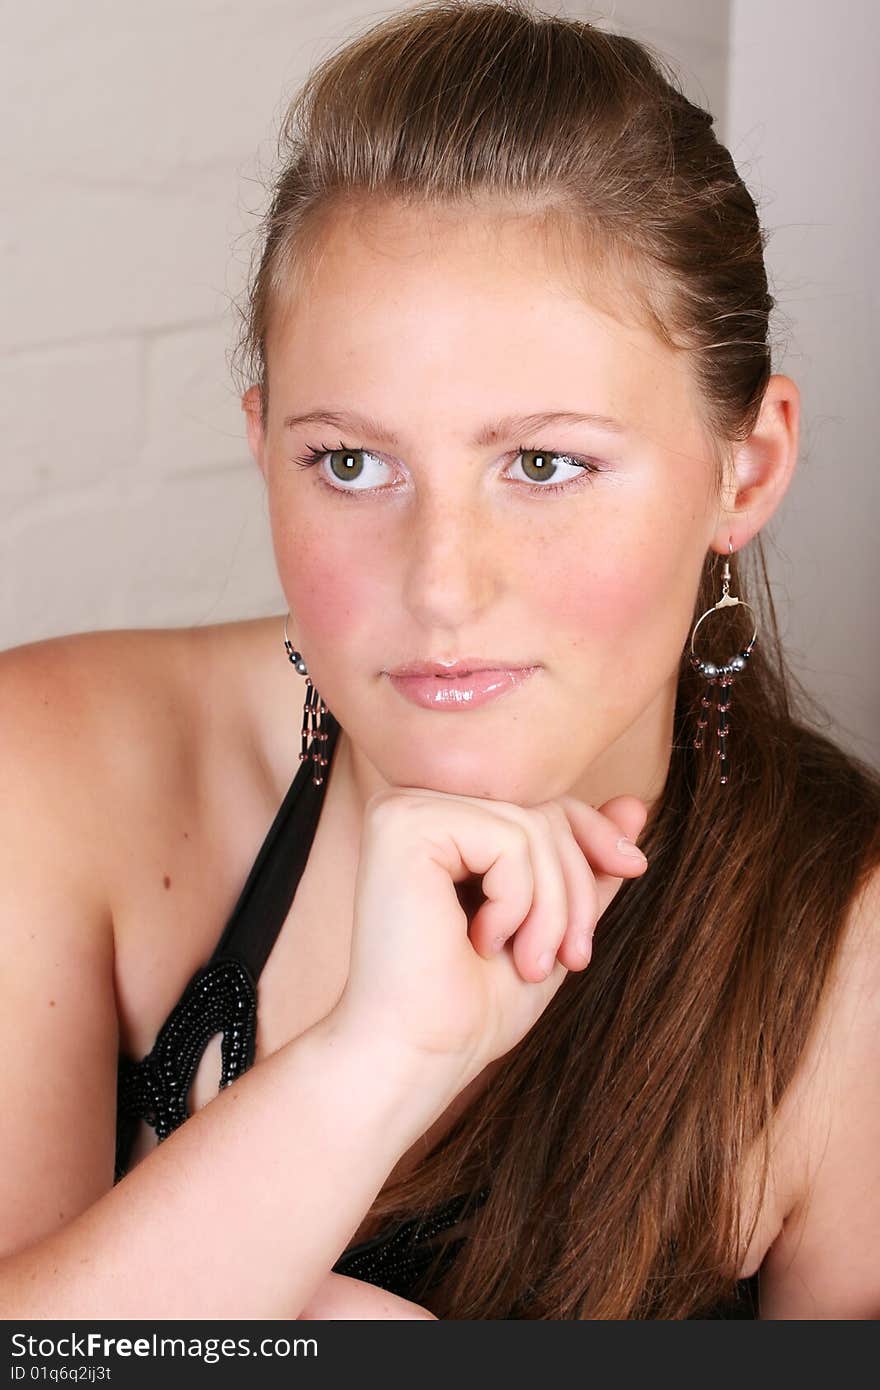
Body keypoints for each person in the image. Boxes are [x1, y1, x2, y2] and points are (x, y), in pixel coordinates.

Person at [1, 0, 878, 1322]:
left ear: (744, 468)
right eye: (350, 462)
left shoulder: (848, 958)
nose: (441, 583)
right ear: (263, 446)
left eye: (544, 464)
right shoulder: (53, 773)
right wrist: (370, 1065)